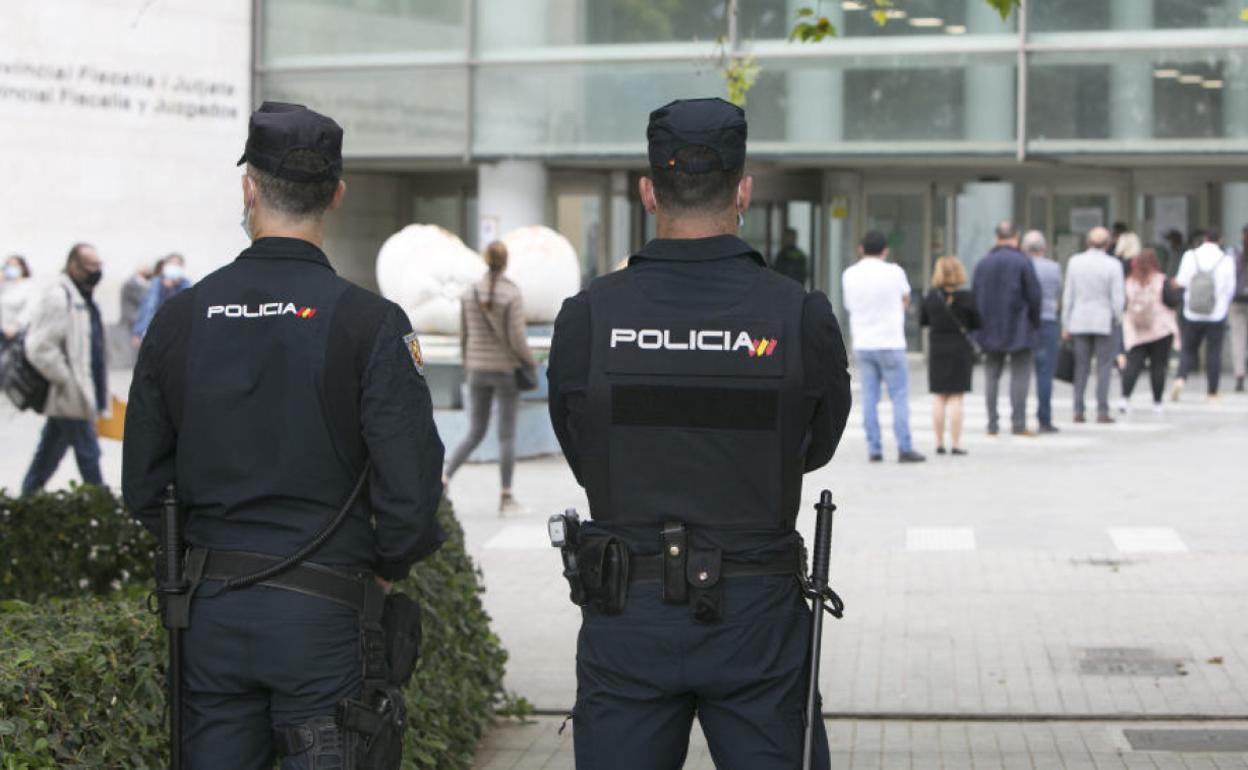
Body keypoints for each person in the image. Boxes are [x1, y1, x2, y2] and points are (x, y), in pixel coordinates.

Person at [121, 102, 446, 768]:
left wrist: (212, 561)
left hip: (209, 616)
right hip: (324, 620)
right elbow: (410, 502)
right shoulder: (371, 324)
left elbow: (144, 489)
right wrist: (385, 571)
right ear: (336, 194)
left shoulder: (179, 321)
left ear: (248, 188)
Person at [546, 97, 852, 770]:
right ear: (743, 190)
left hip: (627, 613)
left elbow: (581, 451)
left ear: (648, 190)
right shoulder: (799, 315)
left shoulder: (589, 317)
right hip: (758, 618)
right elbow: (818, 446)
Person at [443, 240, 538, 514]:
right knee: (506, 436)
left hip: (476, 369)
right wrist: (530, 362)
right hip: (505, 371)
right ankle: (506, 497)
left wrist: (467, 363)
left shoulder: (469, 292)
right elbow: (517, 339)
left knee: (475, 430)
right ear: (506, 262)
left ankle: (444, 476)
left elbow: (464, 334)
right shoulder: (511, 294)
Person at [20, 244, 108, 495]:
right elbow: (39, 346)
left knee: (48, 454)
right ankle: (105, 510)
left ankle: (26, 501)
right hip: (70, 393)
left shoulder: (83, 296)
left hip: (76, 391)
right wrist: (67, 380)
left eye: (99, 265)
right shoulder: (59, 297)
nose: (97, 271)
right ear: (74, 266)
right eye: (91, 266)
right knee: (89, 454)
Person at [843, 230, 925, 462]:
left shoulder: (849, 274)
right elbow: (906, 299)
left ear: (861, 249)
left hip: (863, 342)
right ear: (885, 250)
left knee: (869, 396)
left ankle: (874, 448)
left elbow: (849, 305)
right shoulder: (894, 272)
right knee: (899, 395)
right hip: (891, 341)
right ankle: (904, 446)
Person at [973, 221, 1042, 436]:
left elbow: (975, 295)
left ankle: (992, 424)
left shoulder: (983, 263)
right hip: (1019, 326)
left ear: (997, 237)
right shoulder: (1022, 262)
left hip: (989, 327)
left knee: (991, 375)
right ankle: (1018, 423)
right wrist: (1034, 321)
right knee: (1020, 375)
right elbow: (1034, 296)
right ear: (1016, 236)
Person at [1062, 226, 1126, 423]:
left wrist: (1066, 322)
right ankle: (1102, 411)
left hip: (1079, 320)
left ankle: (1078, 410)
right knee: (1104, 367)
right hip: (1103, 320)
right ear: (1107, 244)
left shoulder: (1075, 262)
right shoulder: (1113, 265)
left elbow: (1068, 295)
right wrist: (1117, 318)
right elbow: (1117, 298)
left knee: (1081, 366)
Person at [919, 256, 980, 455]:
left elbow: (923, 321)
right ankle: (955, 443)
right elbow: (978, 322)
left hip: (937, 348)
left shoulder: (930, 297)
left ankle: (938, 442)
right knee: (956, 397)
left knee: (939, 397)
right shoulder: (968, 297)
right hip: (960, 348)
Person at [1172, 229, 1237, 401]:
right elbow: (1230, 288)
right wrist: (1223, 303)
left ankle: (1180, 378)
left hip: (1192, 312)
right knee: (1213, 352)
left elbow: (1181, 281)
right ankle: (1212, 391)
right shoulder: (1226, 260)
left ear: (1204, 239)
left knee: (1188, 349)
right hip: (1217, 313)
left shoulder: (1190, 256)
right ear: (1220, 240)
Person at [1119, 248, 1180, 413]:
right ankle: (1157, 402)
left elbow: (1123, 304)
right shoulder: (1161, 280)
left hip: (1136, 330)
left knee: (1133, 365)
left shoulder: (1129, 282)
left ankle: (1125, 398)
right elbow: (1173, 301)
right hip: (1160, 330)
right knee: (1158, 366)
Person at [1023, 230, 1062, 433]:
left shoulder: (1022, 266)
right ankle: (1044, 418)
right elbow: (1057, 292)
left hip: (1025, 322)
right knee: (1045, 373)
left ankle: (1018, 417)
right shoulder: (1054, 268)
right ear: (1044, 248)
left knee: (1020, 372)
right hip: (1047, 320)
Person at [132, 252, 192, 342]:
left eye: (178, 264)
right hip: (158, 330)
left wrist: (175, 287)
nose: (175, 267)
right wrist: (138, 332)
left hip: (178, 333)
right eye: (172, 264)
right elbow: (147, 308)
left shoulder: (186, 284)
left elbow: (186, 309)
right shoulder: (156, 282)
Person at [1229, 225, 1248, 392]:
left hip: (1237, 301)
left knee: (1238, 340)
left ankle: (1240, 375)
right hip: (1238, 302)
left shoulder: (1235, 253)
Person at [1, 254, 34, 344]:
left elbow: (29, 309)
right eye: (9, 265)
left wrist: (16, 324)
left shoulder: (29, 285)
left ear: (22, 268)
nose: (11, 268)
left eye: (15, 265)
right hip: (3, 331)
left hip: (18, 333)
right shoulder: (5, 285)